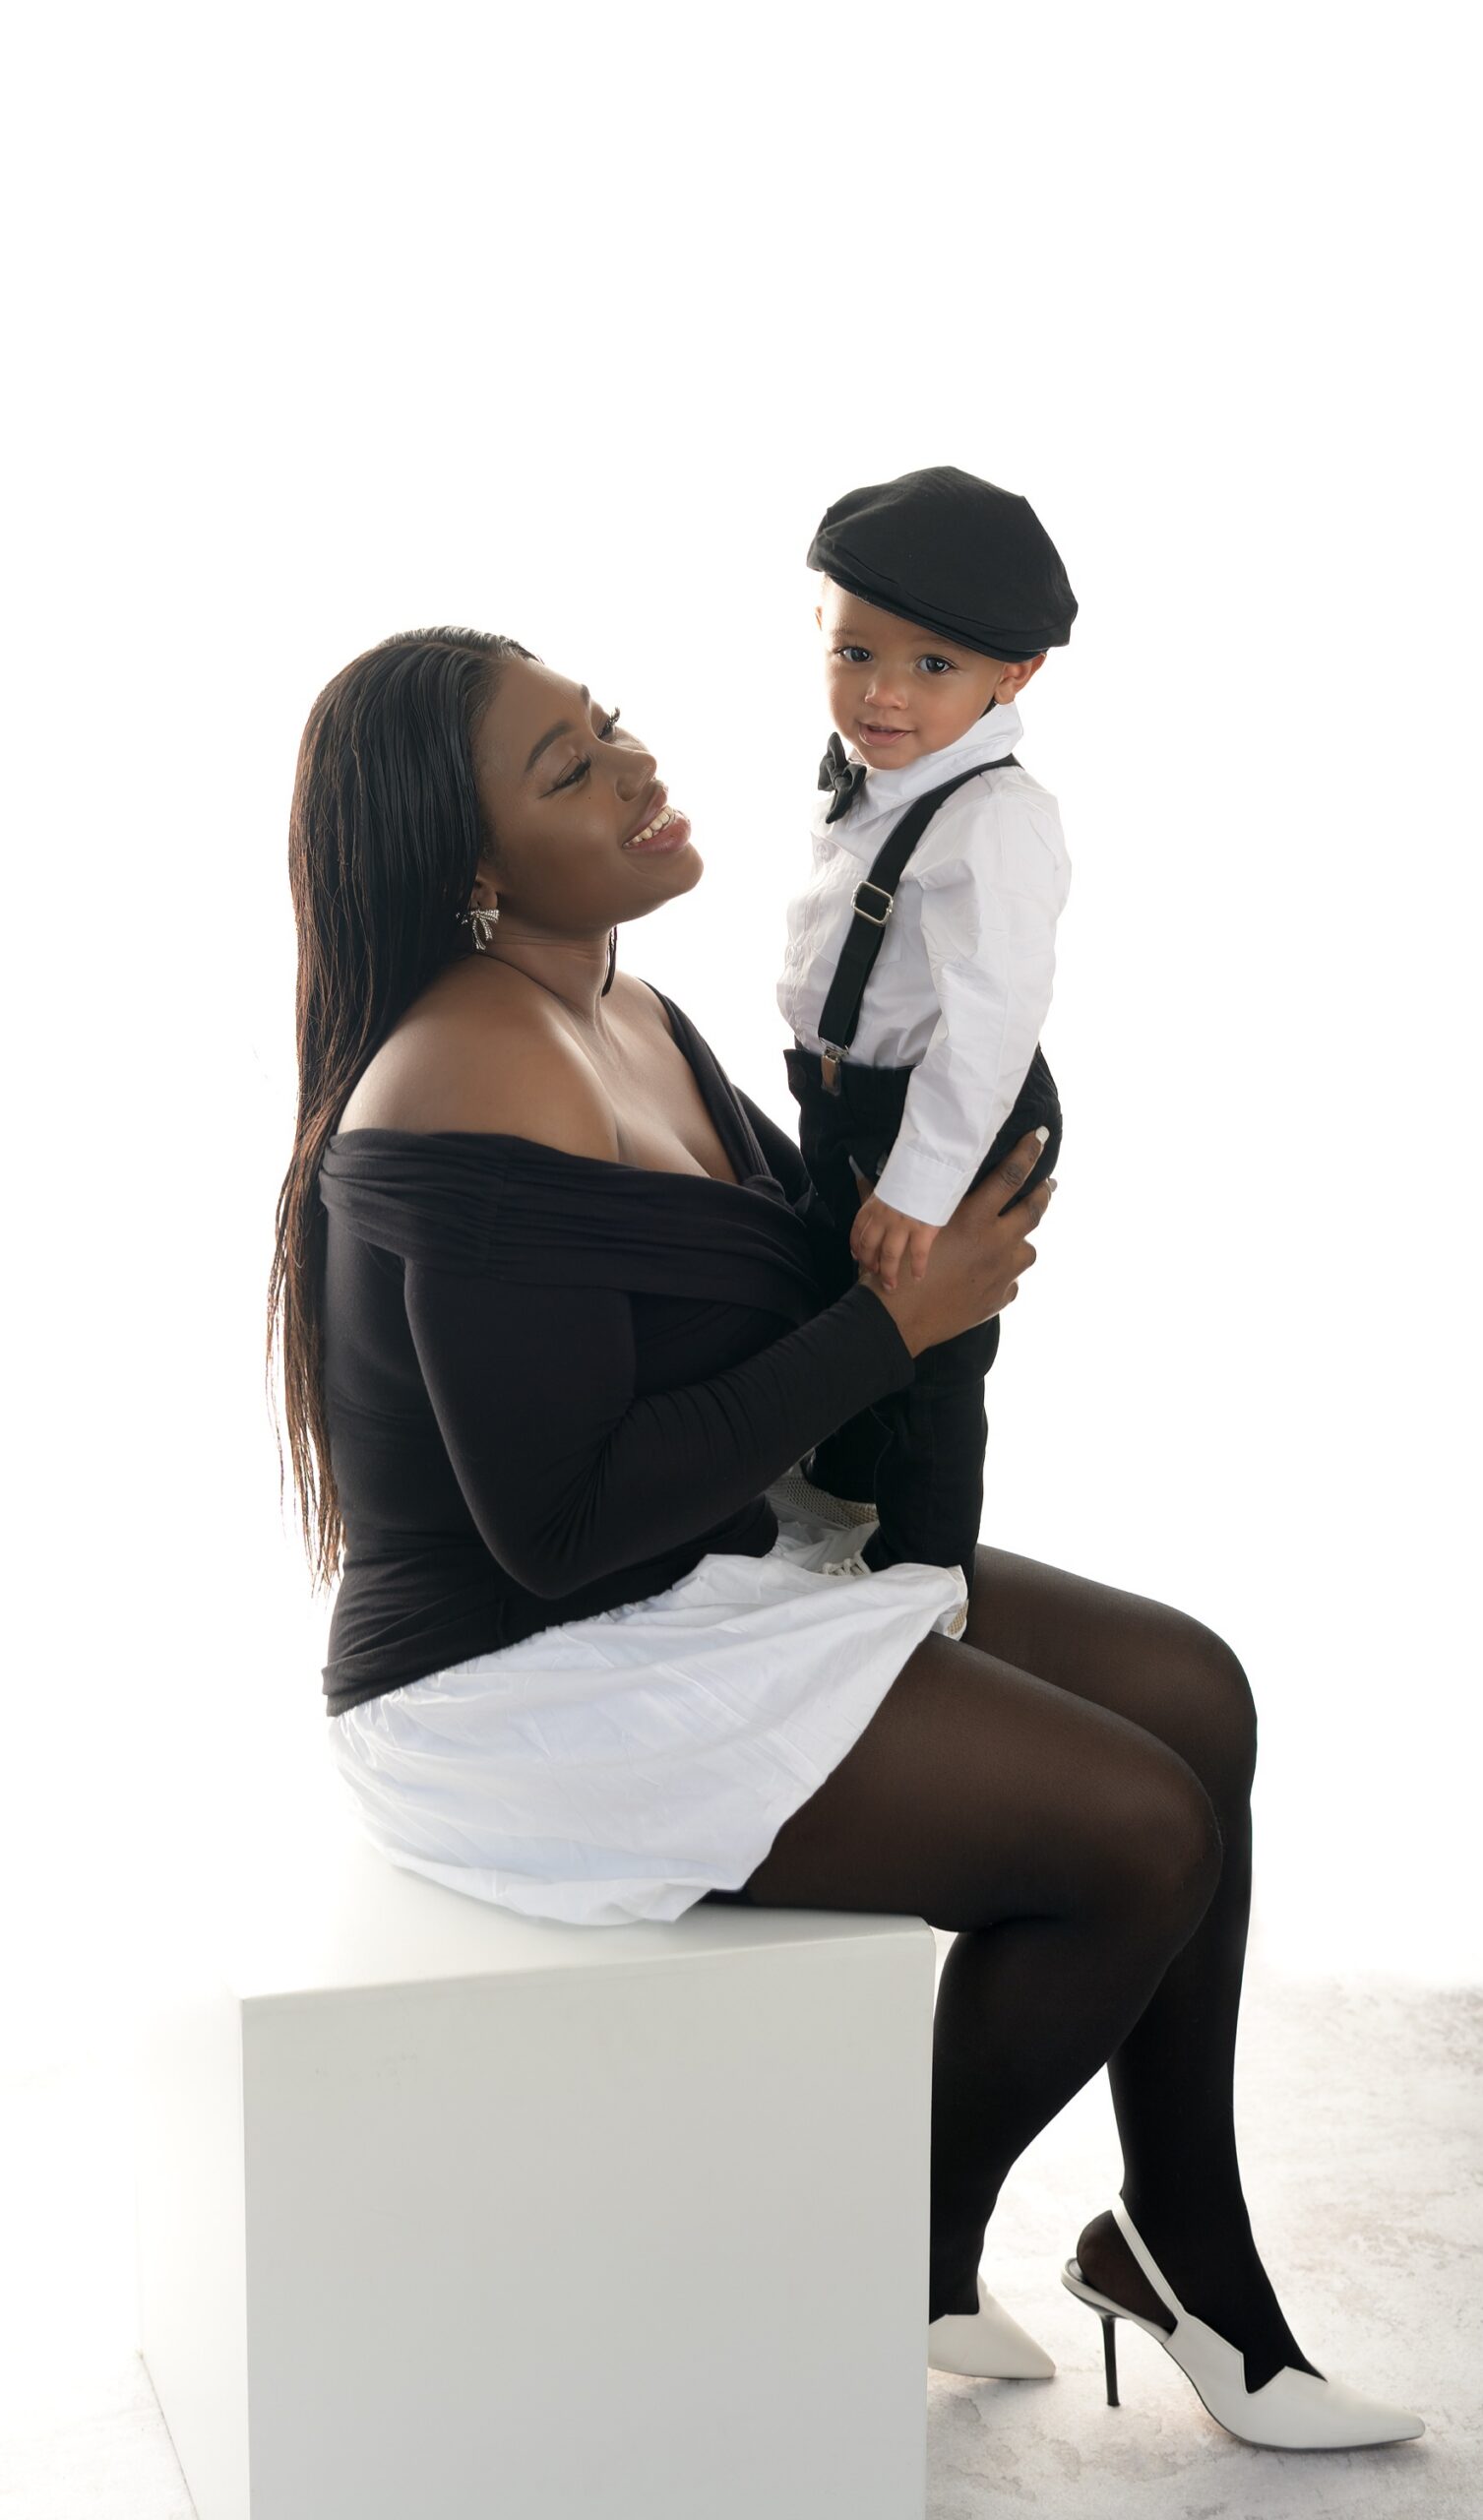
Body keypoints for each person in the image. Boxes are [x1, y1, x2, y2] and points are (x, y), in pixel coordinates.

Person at [266, 626, 1424, 2456]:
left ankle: (1181, 2250)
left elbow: (787, 1294)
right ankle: (878, 2253)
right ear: (470, 871)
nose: (635, 771)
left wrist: (937, 1141)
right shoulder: (468, 1074)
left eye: (608, 727)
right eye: (567, 772)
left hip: (699, 1578)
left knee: (1194, 1691)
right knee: (1138, 1830)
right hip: (521, 1682)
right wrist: (891, 1322)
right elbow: (556, 1531)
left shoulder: (627, 1014)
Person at [779, 465, 1072, 1591]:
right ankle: (844, 1482)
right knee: (846, 1292)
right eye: (855, 652)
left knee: (935, 1345)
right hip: (849, 1095)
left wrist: (921, 1181)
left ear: (1015, 674)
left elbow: (993, 1025)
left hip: (949, 1110)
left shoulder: (994, 821)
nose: (882, 696)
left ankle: (923, 1570)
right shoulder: (873, 778)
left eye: (932, 667)